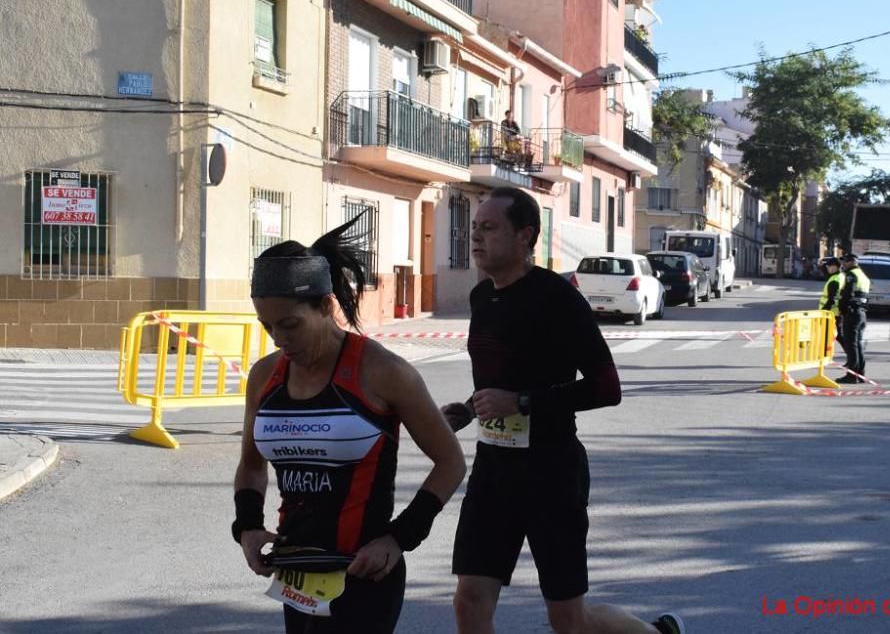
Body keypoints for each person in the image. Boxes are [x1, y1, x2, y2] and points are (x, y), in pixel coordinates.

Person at [441, 187, 684, 634]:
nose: (475, 237)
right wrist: (470, 409)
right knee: (469, 600)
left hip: (551, 471)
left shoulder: (556, 298)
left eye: (489, 228)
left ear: (524, 236)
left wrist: (523, 402)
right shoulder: (483, 298)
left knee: (568, 618)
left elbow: (607, 388)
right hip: (494, 469)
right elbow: (502, 379)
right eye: (474, 227)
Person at [232, 216, 467, 633]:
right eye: (267, 327)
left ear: (325, 306)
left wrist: (398, 538)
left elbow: (450, 461)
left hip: (364, 572)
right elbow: (252, 465)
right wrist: (248, 527)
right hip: (296, 570)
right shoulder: (264, 376)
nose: (279, 339)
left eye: (290, 325)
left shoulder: (383, 372)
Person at [836, 253, 870, 384]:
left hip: (852, 312)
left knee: (851, 346)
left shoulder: (851, 275)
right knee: (858, 345)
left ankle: (851, 376)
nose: (843, 264)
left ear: (851, 262)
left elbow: (846, 295)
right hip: (861, 313)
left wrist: (842, 310)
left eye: (844, 262)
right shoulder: (863, 275)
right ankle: (861, 375)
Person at [818, 256, 846, 352]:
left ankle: (850, 353)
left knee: (832, 334)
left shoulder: (834, 280)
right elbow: (827, 274)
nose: (828, 268)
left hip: (831, 312)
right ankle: (825, 353)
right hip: (836, 312)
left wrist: (824, 311)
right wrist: (822, 266)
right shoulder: (840, 276)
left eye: (829, 266)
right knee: (831, 334)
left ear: (835, 267)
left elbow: (831, 299)